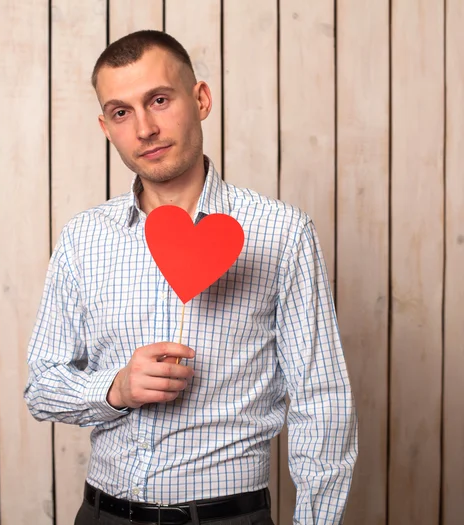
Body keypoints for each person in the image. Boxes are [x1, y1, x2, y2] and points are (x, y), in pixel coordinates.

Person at [24, 30, 358, 525]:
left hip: (227, 517)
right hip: (102, 515)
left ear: (200, 99)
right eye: (121, 112)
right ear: (106, 126)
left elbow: (322, 403)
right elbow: (42, 386)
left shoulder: (281, 233)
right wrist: (116, 389)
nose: (144, 129)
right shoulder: (83, 238)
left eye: (158, 100)